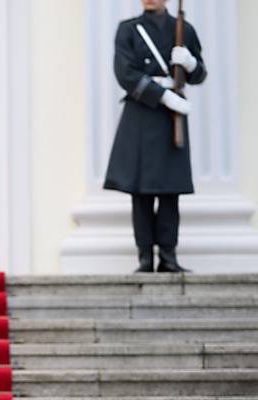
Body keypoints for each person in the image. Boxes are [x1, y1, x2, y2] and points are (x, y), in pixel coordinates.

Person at [104, 0, 206, 273]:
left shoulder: (184, 29)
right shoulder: (129, 29)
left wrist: (190, 62)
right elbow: (125, 73)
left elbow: (199, 75)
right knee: (141, 191)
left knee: (170, 189)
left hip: (171, 118)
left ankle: (169, 256)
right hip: (142, 113)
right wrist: (162, 96)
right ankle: (145, 256)